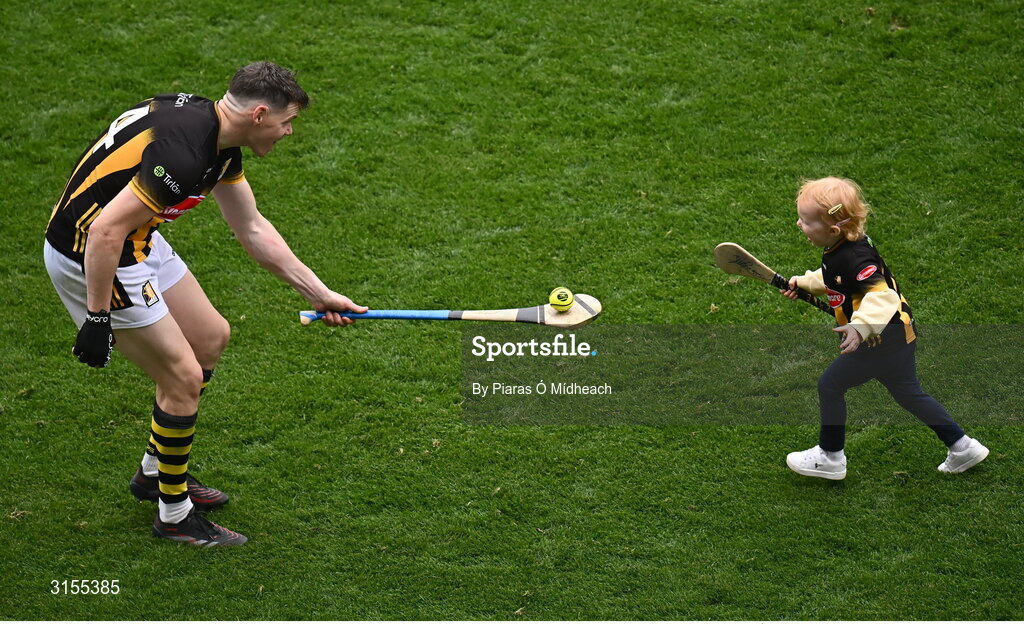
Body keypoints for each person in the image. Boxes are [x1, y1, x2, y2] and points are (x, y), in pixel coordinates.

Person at [44, 61, 366, 545]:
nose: (289, 132)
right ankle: (173, 515)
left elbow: (252, 229)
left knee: (210, 338)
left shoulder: (216, 136)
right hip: (91, 254)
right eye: (287, 122)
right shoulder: (186, 153)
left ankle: (154, 472)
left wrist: (319, 295)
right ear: (259, 114)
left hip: (137, 238)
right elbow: (105, 230)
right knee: (183, 378)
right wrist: (96, 315)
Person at [779, 176, 988, 480]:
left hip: (879, 338)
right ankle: (962, 446)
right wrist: (804, 284)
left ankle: (830, 456)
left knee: (830, 386)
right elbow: (835, 279)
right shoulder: (843, 247)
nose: (799, 225)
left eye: (806, 221)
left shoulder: (855, 257)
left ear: (833, 229)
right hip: (900, 333)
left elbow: (882, 296)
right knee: (908, 394)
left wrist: (860, 328)